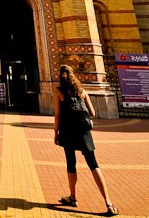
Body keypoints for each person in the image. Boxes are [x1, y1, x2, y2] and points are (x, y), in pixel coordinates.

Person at [54, 64, 118, 216]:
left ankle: (73, 197)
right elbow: (93, 113)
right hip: (84, 132)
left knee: (71, 162)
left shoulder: (59, 91)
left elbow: (57, 114)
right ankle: (108, 202)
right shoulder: (82, 91)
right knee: (93, 164)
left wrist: (55, 133)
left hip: (68, 131)